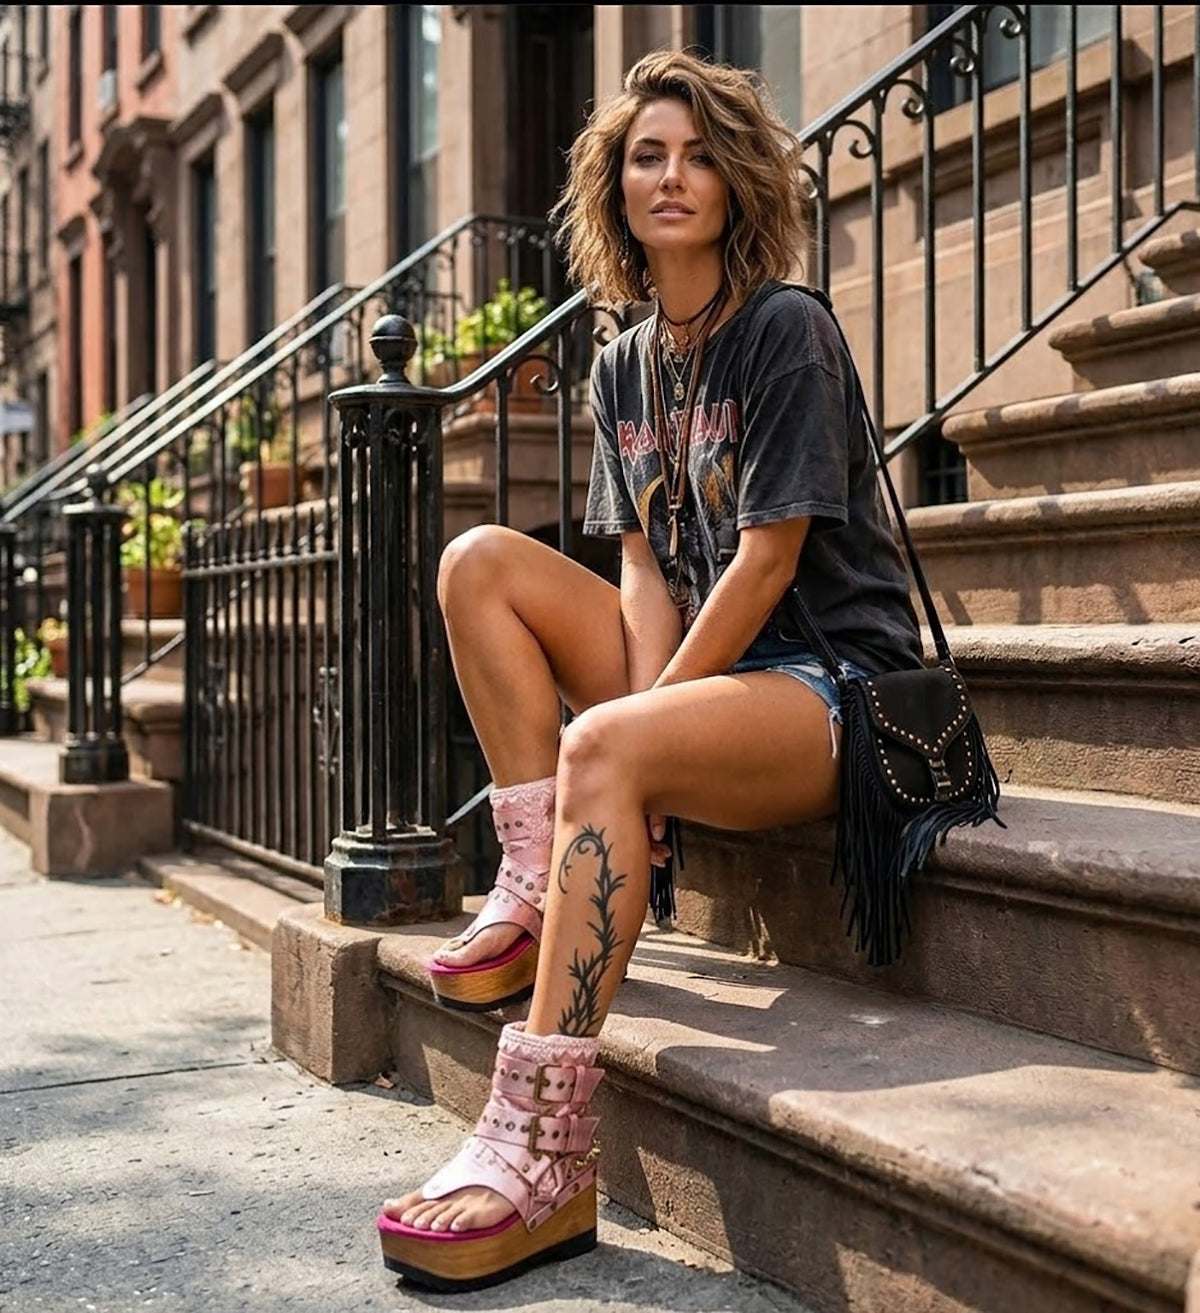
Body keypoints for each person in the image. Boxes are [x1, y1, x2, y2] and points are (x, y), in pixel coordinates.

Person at [377, 47, 923, 1291]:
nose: (670, 176)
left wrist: (635, 732)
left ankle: (542, 1148)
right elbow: (642, 570)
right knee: (477, 562)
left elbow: (768, 564)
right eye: (644, 155)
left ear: (735, 181)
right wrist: (642, 716)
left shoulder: (785, 330)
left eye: (695, 155)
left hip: (831, 685)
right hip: (708, 671)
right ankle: (534, 879)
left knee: (609, 745)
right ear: (613, 186)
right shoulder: (621, 360)